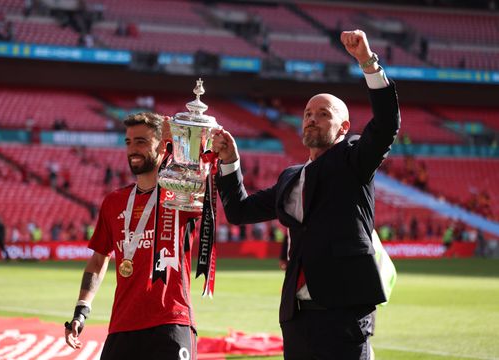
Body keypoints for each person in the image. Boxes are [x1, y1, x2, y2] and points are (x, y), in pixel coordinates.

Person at [212, 29, 400, 360]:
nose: (312, 119)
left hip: (344, 313)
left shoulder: (353, 159)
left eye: (323, 114)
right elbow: (239, 211)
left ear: (343, 128)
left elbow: (385, 124)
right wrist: (230, 162)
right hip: (297, 316)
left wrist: (367, 63)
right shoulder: (290, 178)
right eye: (307, 115)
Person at [64, 113, 201, 360]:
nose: (132, 150)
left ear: (162, 145)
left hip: (171, 322)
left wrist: (179, 139)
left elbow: (196, 176)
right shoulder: (113, 202)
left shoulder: (180, 196)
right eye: (128, 142)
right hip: (123, 326)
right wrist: (82, 310)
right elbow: (98, 261)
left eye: (141, 142)